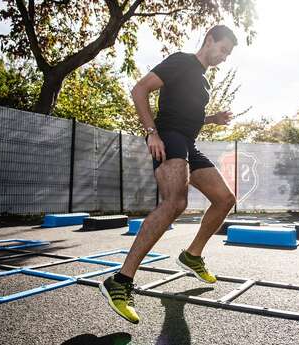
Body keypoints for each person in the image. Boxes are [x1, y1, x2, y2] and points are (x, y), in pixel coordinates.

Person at [99, 25, 238, 324]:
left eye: (228, 54)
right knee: (175, 203)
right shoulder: (182, 61)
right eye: (223, 50)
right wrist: (152, 133)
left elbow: (192, 116)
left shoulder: (203, 83)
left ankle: (192, 255)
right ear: (209, 39)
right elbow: (139, 89)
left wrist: (214, 118)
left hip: (188, 143)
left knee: (225, 199)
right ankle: (120, 282)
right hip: (168, 137)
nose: (224, 57)